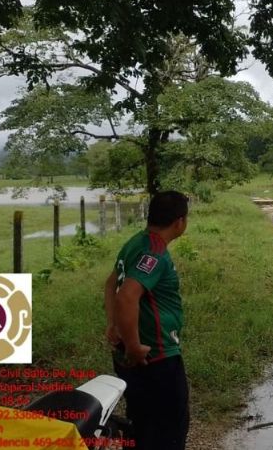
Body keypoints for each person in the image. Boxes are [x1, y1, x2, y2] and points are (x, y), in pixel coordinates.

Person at [104, 190, 190, 450]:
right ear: (180, 222)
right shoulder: (154, 253)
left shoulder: (135, 242)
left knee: (142, 420)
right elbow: (127, 295)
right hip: (155, 355)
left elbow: (111, 285)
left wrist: (113, 325)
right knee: (170, 427)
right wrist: (133, 344)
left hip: (136, 355)